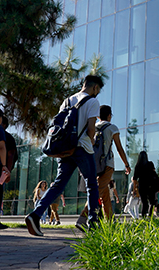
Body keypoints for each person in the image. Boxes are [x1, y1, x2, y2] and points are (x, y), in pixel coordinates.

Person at [25, 75, 104, 236]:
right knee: (91, 184)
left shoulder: (67, 101)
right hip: (82, 148)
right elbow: (90, 128)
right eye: (98, 90)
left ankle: (35, 214)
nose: (97, 93)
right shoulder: (93, 102)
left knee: (58, 184)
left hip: (66, 148)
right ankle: (93, 223)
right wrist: (92, 140)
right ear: (95, 87)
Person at [75, 104, 130, 231]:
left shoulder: (92, 127)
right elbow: (119, 148)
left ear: (98, 116)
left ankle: (111, 225)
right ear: (109, 115)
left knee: (104, 196)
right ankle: (82, 219)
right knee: (96, 193)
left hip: (93, 164)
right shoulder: (112, 128)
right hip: (107, 165)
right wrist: (126, 164)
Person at [133, 153, 158, 218]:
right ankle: (150, 216)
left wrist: (135, 189)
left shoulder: (138, 166)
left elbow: (135, 179)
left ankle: (143, 217)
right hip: (150, 185)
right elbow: (154, 173)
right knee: (152, 202)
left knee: (144, 203)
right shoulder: (150, 164)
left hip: (142, 186)